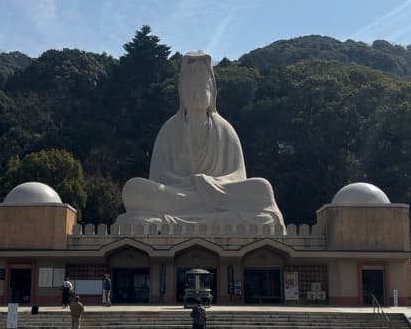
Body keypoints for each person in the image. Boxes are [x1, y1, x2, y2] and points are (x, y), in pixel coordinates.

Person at [117, 52, 285, 230]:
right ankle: (215, 217)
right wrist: (192, 184)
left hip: (217, 195)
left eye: (202, 90)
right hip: (179, 196)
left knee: (262, 188)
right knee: (133, 189)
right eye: (191, 90)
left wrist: (208, 184)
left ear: (211, 92)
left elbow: (238, 175)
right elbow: (158, 177)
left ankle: (182, 218)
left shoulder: (225, 129)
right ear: (182, 93)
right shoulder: (169, 130)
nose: (196, 95)